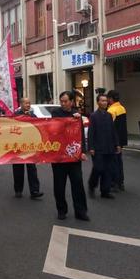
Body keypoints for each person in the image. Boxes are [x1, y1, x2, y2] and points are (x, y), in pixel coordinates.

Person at [50, 91, 89, 221]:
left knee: (78, 184)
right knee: (59, 185)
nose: (63, 103)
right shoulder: (55, 114)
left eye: (66, 101)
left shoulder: (77, 116)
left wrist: (82, 151)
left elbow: (81, 136)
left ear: (72, 102)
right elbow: (51, 131)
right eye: (61, 101)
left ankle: (81, 211)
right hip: (59, 157)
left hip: (74, 157)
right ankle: (61, 210)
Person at [88, 94, 120, 199]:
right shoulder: (93, 116)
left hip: (109, 147)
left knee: (108, 169)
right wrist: (91, 147)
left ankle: (105, 191)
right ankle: (92, 185)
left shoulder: (109, 115)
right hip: (98, 148)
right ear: (98, 102)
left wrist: (117, 144)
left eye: (106, 101)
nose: (105, 102)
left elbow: (113, 131)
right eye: (102, 101)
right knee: (98, 168)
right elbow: (91, 132)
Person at [12, 97, 43, 199]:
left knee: (32, 169)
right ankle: (18, 190)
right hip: (18, 146)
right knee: (18, 170)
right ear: (21, 104)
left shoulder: (33, 115)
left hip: (30, 146)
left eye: (29, 103)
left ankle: (34, 191)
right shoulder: (16, 115)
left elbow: (39, 125)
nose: (28, 105)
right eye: (26, 103)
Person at [107, 90, 128, 191]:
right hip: (121, 140)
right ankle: (121, 182)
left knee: (112, 162)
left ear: (111, 99)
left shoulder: (111, 111)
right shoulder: (122, 108)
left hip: (113, 140)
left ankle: (114, 182)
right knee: (119, 161)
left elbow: (110, 127)